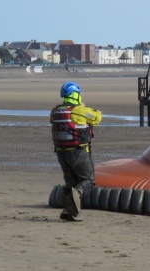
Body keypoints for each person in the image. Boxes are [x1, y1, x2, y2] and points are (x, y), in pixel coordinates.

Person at [50, 82, 102, 221]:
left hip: (61, 153)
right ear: (75, 94)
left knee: (70, 182)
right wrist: (83, 108)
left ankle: (70, 212)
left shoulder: (55, 111)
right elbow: (97, 117)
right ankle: (76, 196)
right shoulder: (78, 110)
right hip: (78, 151)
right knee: (88, 181)